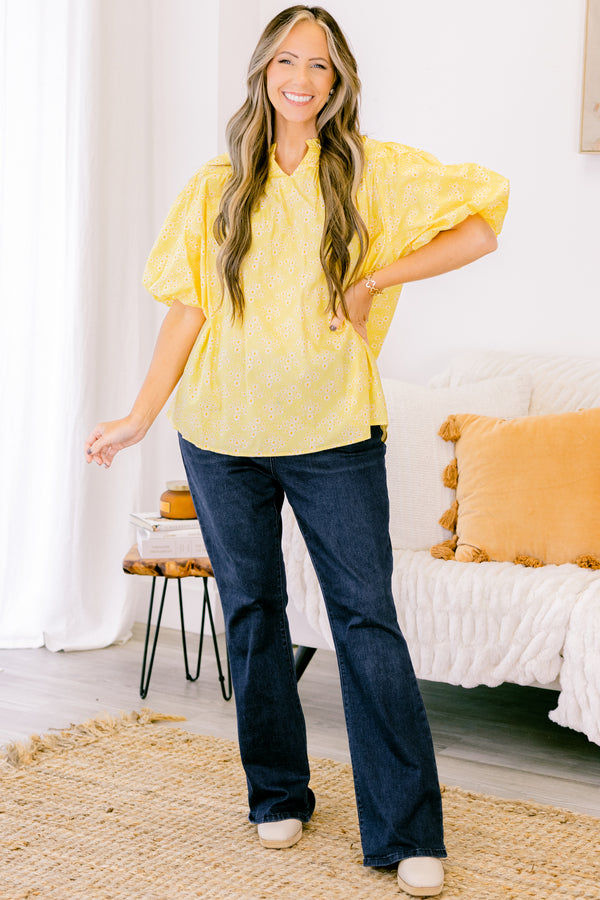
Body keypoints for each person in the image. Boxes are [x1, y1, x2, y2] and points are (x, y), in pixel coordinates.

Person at [85, 6, 508, 896]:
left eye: (319, 64)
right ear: (263, 72)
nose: (302, 77)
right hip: (221, 432)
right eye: (287, 59)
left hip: (333, 433)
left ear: (338, 79)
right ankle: (277, 792)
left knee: (366, 622)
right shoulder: (216, 187)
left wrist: (373, 277)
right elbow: (186, 314)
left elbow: (482, 225)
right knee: (253, 613)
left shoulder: (369, 174)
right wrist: (134, 417)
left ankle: (405, 832)